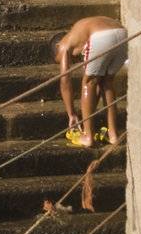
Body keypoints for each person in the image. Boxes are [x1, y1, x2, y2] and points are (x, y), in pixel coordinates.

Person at [54, 15, 127, 148]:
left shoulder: (64, 44)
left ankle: (88, 136)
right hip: (123, 34)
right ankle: (113, 135)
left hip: (102, 37)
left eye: (58, 60)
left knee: (88, 82)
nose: (70, 60)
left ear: (58, 45)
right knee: (107, 82)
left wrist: (71, 114)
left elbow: (65, 81)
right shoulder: (81, 31)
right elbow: (96, 90)